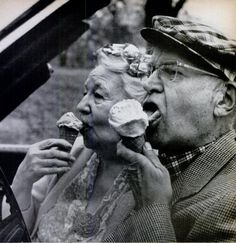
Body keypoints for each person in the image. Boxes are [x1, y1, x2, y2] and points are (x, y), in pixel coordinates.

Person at [104, 16, 236, 242]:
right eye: (152, 70)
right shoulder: (149, 165)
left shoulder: (229, 202)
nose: (148, 84)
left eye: (172, 71)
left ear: (224, 100)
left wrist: (151, 206)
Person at [7, 43, 151, 242]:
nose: (81, 106)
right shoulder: (73, 153)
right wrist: (23, 179)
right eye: (85, 93)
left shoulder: (152, 183)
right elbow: (16, 233)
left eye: (98, 95)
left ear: (136, 112)